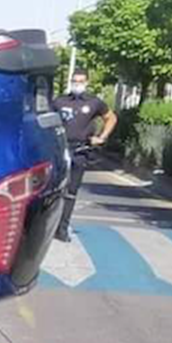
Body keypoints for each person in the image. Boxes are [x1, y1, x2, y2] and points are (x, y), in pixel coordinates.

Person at [52, 68, 117, 242]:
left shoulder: (94, 102)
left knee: (71, 191)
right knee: (53, 189)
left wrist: (101, 137)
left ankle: (62, 228)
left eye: (80, 81)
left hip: (80, 150)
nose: (77, 84)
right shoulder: (60, 101)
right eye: (74, 81)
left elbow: (111, 118)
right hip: (59, 150)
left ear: (86, 83)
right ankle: (48, 226)